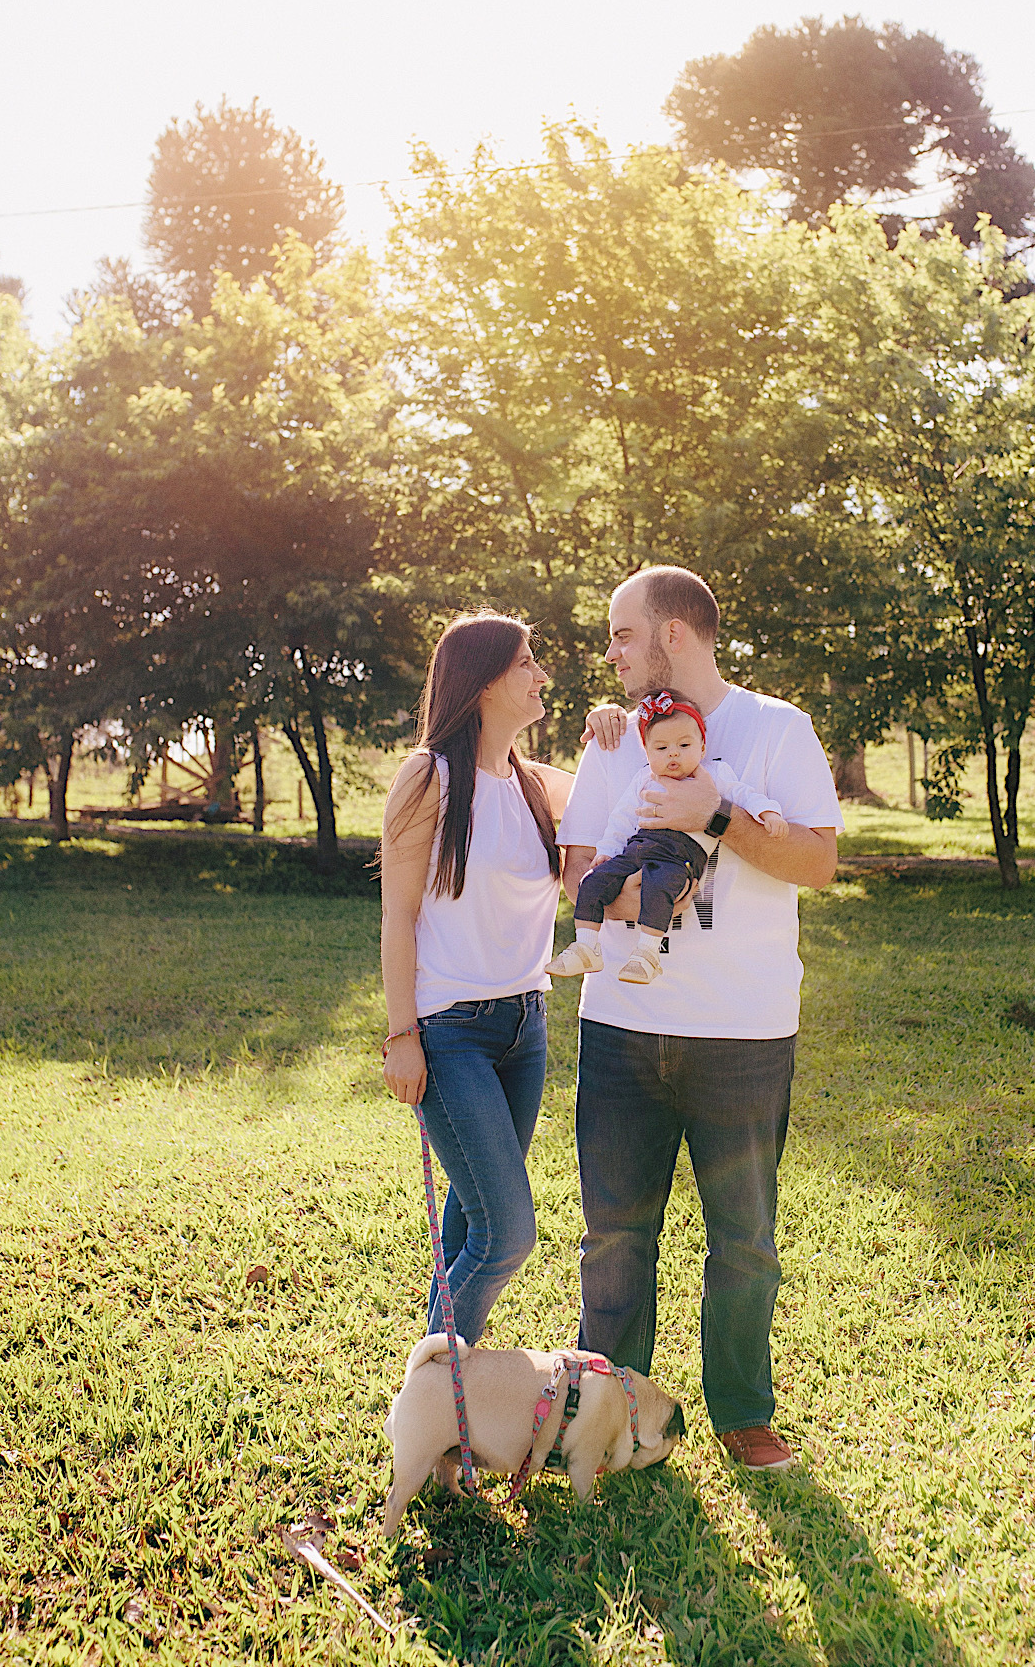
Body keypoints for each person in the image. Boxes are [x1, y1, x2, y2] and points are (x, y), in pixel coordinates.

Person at [558, 565, 843, 1470]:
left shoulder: (777, 729)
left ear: (672, 635)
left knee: (744, 1239)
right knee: (614, 1235)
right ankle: (609, 1411)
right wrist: (643, 896)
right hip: (621, 1027)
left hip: (745, 1033)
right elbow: (577, 870)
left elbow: (818, 863)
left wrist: (715, 813)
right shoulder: (614, 741)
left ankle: (743, 1414)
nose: (612, 653)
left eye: (622, 634)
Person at [379, 610, 572, 1344]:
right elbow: (399, 915)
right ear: (485, 681)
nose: (541, 675)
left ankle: (445, 1398)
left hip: (525, 1027)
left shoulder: (536, 785)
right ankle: (434, 1386)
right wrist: (402, 1035)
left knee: (469, 1223)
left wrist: (618, 725)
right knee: (507, 1233)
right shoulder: (429, 777)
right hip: (450, 1031)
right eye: (526, 663)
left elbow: (634, 779)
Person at [547, 688, 786, 985]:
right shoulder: (644, 778)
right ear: (647, 752)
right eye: (661, 748)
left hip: (681, 855)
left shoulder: (714, 773)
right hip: (638, 848)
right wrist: (606, 851)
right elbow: (622, 818)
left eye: (684, 745)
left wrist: (768, 812)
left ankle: (647, 954)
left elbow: (744, 794)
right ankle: (586, 946)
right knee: (593, 880)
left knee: (659, 886)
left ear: (702, 747)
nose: (673, 753)